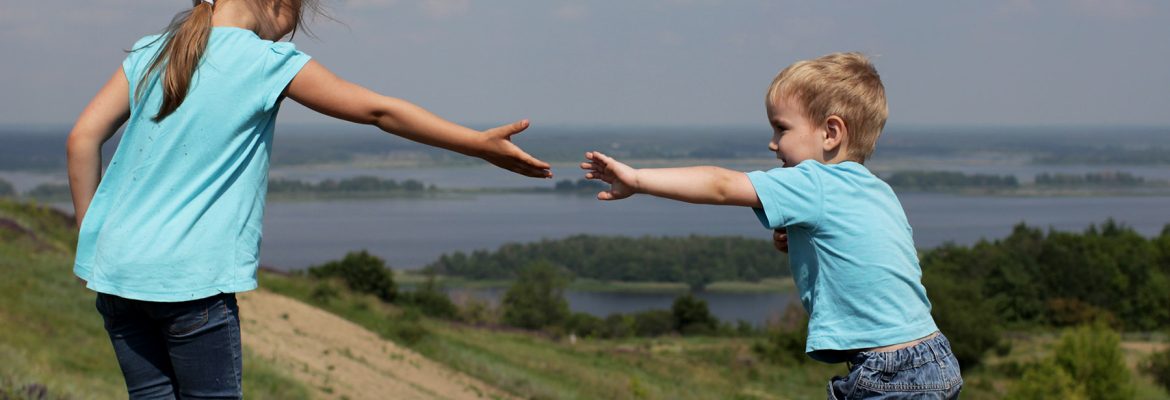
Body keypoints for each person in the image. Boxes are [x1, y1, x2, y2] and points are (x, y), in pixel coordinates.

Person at [66, 0, 551, 397]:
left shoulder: (154, 51)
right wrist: (477, 144)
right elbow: (379, 111)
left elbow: (82, 138)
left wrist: (95, 240)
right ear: (278, 4)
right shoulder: (263, 61)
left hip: (118, 280)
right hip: (191, 286)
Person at [581, 52, 962, 399]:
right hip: (934, 357)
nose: (772, 143)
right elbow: (880, 261)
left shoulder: (814, 180)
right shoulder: (877, 191)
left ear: (831, 133)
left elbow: (721, 185)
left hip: (888, 374)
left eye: (781, 129)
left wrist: (638, 179)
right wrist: (803, 242)